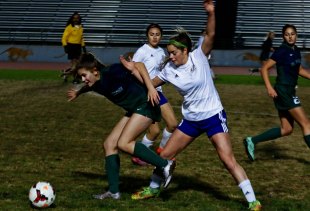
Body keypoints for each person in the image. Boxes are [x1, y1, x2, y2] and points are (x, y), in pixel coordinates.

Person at [120, 1, 262, 210]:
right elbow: (150, 82)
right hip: (192, 121)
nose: (170, 56)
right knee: (165, 156)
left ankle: (252, 201)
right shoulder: (169, 69)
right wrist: (134, 70)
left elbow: (211, 35)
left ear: (184, 50)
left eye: (173, 53)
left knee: (227, 159)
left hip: (213, 116)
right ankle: (152, 188)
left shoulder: (199, 56)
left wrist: (211, 13)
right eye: (168, 52)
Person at [67, 52, 176, 200]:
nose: (83, 79)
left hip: (146, 105)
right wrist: (78, 92)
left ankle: (164, 165)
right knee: (109, 144)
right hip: (134, 109)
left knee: (124, 143)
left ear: (95, 71)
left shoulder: (113, 71)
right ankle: (113, 191)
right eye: (81, 77)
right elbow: (89, 87)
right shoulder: (95, 83)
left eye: (84, 75)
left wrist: (151, 88)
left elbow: (140, 65)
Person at [244, 24, 310, 162]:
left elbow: (299, 70)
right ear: (283, 36)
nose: (290, 36)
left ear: (296, 35)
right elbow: (264, 69)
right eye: (287, 34)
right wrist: (269, 88)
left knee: (286, 129)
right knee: (306, 124)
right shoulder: (281, 51)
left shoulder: (296, 50)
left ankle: (251, 141)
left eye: (292, 34)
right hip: (283, 91)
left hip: (288, 91)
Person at [130, 23, 178, 166]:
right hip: (145, 93)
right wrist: (146, 86)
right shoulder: (142, 51)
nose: (155, 37)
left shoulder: (162, 52)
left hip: (158, 92)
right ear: (147, 36)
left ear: (161, 36)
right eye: (152, 34)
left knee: (173, 124)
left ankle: (162, 150)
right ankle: (139, 155)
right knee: (155, 131)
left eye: (157, 34)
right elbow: (134, 70)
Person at [61, 11, 87, 83]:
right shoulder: (69, 27)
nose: (76, 19)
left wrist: (83, 47)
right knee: (74, 64)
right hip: (71, 46)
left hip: (78, 47)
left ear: (79, 19)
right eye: (74, 18)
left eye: (77, 18)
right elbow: (63, 38)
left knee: (78, 64)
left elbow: (81, 38)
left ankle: (66, 73)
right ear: (72, 19)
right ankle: (75, 79)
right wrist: (65, 47)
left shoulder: (80, 27)